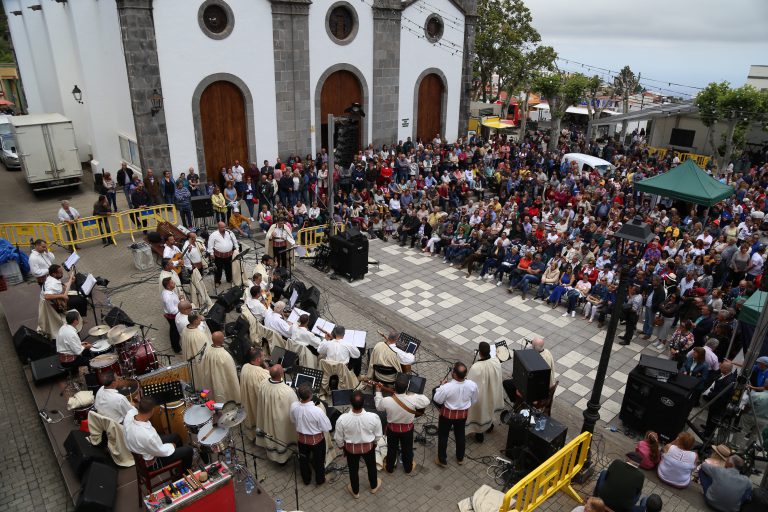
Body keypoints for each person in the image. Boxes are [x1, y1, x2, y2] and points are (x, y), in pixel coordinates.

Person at [334, 390, 383, 498]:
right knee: (371, 467)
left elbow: (338, 439)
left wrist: (343, 447)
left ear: (350, 403)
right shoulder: (373, 417)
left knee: (353, 470)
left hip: (351, 449)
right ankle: (374, 486)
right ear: (364, 402)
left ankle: (355, 492)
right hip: (368, 448)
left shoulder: (342, 419)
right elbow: (378, 435)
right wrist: (374, 443)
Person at [374, 378, 430, 474]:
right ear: (407, 388)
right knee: (407, 449)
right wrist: (412, 393)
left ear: (394, 387)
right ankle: (408, 468)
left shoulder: (387, 400)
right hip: (407, 430)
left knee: (391, 449)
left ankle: (389, 468)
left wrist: (378, 392)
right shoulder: (413, 399)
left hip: (392, 430)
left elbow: (378, 406)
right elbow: (426, 401)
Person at [124, 397, 193, 471]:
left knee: (176, 437)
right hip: (152, 462)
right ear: (152, 411)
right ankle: (183, 474)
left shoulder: (129, 416)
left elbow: (132, 409)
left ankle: (180, 465)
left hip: (144, 448)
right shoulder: (148, 436)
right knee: (188, 450)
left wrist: (133, 404)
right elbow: (160, 451)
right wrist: (171, 446)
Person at [433, 362, 478, 467]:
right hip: (462, 415)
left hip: (447, 415)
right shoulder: (472, 385)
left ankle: (442, 460)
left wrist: (441, 386)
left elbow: (437, 399)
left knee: (443, 436)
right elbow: (474, 400)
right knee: (460, 435)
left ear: (454, 374)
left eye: (453, 370)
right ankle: (460, 458)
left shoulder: (447, 387)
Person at [254, 364, 299, 463]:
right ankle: (282, 458)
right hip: (280, 421)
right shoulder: (286, 391)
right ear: (281, 375)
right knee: (281, 436)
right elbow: (295, 408)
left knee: (271, 434)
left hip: (267, 416)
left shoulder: (263, 384)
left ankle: (272, 452)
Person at [290, 384, 332, 485]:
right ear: (311, 395)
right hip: (317, 441)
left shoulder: (294, 406)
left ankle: (306, 480)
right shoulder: (317, 411)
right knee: (319, 462)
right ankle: (320, 480)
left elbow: (292, 420)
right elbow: (328, 428)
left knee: (303, 461)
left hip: (301, 440)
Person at [466, 341, 503, 442]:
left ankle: (479, 434)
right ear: (489, 351)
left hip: (482, 395)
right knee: (489, 410)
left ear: (480, 353)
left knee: (480, 414)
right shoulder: (496, 362)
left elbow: (469, 384)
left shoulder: (476, 367)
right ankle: (489, 426)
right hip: (492, 392)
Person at [199, 331, 240, 404]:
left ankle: (210, 403)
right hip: (221, 382)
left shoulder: (207, 351)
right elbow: (231, 374)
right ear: (222, 340)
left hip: (210, 379)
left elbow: (203, 366)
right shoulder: (224, 355)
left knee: (212, 392)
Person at [240, 348, 270, 440]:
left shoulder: (244, 366)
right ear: (258, 359)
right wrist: (265, 365)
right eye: (263, 356)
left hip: (248, 398)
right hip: (257, 402)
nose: (264, 358)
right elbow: (271, 380)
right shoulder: (260, 373)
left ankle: (252, 435)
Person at [701, 361, 736, 437]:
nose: (720, 367)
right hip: (715, 402)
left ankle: (707, 434)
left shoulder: (729, 381)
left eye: (722, 367)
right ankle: (707, 429)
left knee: (713, 419)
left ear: (726, 370)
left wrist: (710, 394)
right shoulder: (724, 375)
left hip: (719, 405)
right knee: (710, 417)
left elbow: (721, 394)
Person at [207, 221, 237, 286]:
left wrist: (237, 249)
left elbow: (235, 241)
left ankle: (229, 279)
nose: (224, 228)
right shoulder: (214, 235)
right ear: (218, 227)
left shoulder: (229, 232)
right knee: (218, 269)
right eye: (222, 227)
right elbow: (210, 245)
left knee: (228, 268)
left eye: (225, 227)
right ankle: (217, 281)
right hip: (218, 256)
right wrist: (211, 253)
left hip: (228, 255)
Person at [160, 276, 182, 353]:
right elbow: (172, 310)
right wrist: (182, 307)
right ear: (168, 286)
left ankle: (176, 345)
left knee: (174, 330)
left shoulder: (168, 291)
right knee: (174, 332)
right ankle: (176, 348)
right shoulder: (167, 297)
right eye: (172, 283)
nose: (174, 283)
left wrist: (178, 299)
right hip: (173, 316)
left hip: (174, 314)